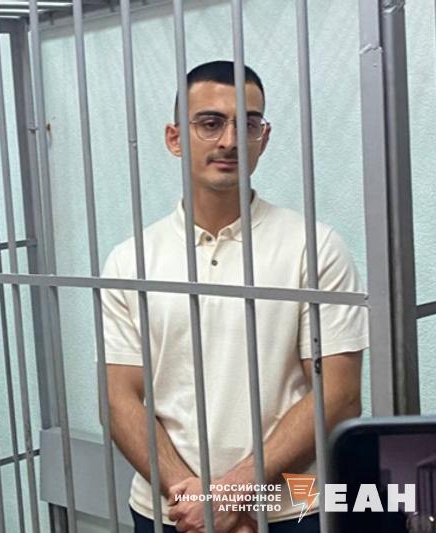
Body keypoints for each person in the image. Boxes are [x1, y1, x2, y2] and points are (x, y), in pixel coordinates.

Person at [103, 61, 367, 533]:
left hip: (290, 509)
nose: (229, 140)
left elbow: (340, 396)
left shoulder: (313, 246)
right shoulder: (130, 260)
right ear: (174, 138)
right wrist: (195, 500)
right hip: (170, 509)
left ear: (263, 138)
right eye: (210, 123)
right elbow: (120, 397)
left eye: (247, 124)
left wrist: (232, 492)